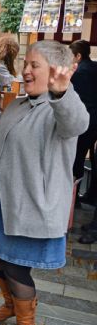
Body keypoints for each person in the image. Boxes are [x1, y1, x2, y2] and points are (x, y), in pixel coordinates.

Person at [0, 40, 88, 325]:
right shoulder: (19, 103)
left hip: (31, 206)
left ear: (55, 73)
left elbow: (77, 122)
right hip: (2, 202)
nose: (25, 71)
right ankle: (12, 304)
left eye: (34, 66)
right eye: (25, 64)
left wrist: (61, 93)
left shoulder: (59, 107)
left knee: (16, 268)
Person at [69, 40, 97, 210]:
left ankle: (74, 199)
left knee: (77, 157)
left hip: (85, 120)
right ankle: (90, 195)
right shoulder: (95, 67)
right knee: (92, 160)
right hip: (95, 119)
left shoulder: (79, 72)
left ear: (78, 56)